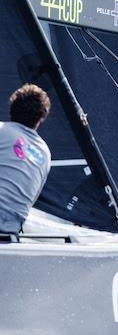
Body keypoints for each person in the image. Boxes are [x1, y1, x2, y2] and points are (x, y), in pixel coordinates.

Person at [0, 83, 52, 235]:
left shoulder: (2, 130)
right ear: (40, 119)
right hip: (11, 228)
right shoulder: (45, 153)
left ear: (11, 109)